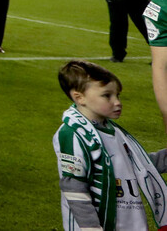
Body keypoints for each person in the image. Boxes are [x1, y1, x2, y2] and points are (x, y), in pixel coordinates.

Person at [54, 59, 167, 229]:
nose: (117, 102)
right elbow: (74, 187)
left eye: (117, 95)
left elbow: (139, 165)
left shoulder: (113, 130)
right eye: (107, 95)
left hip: (129, 221)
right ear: (79, 97)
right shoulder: (73, 134)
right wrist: (91, 227)